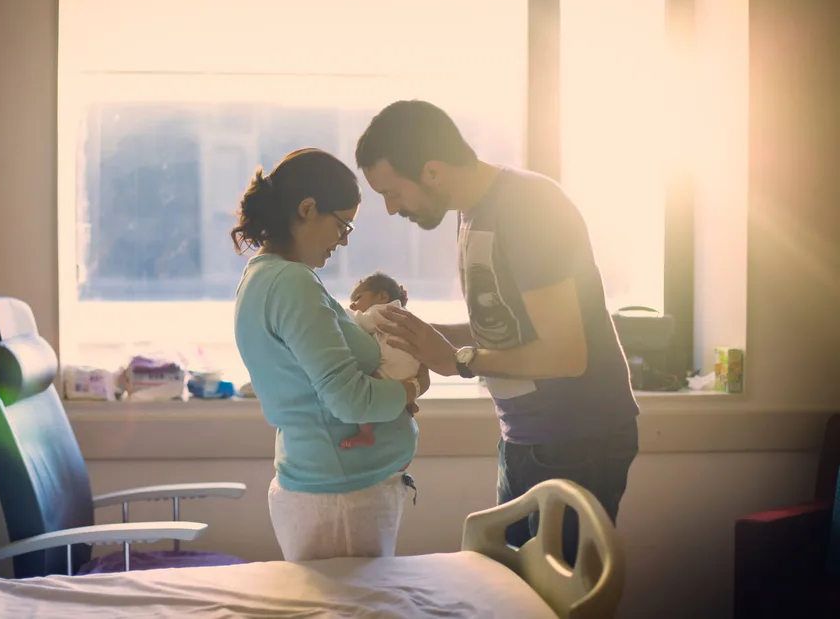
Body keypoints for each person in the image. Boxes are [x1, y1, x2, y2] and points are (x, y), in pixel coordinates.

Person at [354, 100, 640, 565]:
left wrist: (458, 361)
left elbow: (566, 354)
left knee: (552, 601)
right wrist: (418, 337)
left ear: (431, 171)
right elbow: (509, 325)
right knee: (511, 590)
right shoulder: (473, 212)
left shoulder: (528, 207)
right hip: (526, 437)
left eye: (392, 192)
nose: (390, 209)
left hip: (577, 440)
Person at [231, 147, 431, 562]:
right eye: (343, 225)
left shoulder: (264, 275)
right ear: (307, 209)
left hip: (335, 488)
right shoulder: (291, 283)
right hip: (341, 497)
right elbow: (348, 399)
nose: (343, 241)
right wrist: (412, 387)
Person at [342, 272, 421, 449]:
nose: (353, 304)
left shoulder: (381, 312)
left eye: (358, 297)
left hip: (391, 370)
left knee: (364, 393)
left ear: (383, 296)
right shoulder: (402, 312)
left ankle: (366, 433)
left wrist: (339, 312)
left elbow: (356, 322)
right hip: (410, 371)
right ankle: (406, 404)